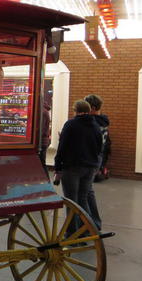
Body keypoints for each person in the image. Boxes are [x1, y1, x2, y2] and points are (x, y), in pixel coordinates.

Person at [54, 100, 103, 236]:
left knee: (71, 201)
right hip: (90, 167)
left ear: (75, 110)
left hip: (72, 167)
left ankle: (72, 233)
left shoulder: (71, 124)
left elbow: (62, 147)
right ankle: (85, 229)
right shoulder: (95, 126)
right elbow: (99, 147)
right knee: (83, 198)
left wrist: (58, 167)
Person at [84, 94, 110, 230]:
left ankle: (90, 224)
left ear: (92, 108)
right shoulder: (103, 121)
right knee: (88, 190)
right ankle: (94, 223)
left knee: (86, 191)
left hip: (89, 158)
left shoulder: (92, 122)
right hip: (97, 157)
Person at [39, 103, 51, 168]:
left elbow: (41, 129)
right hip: (43, 141)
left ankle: (46, 178)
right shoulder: (44, 111)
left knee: (41, 164)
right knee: (41, 163)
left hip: (41, 141)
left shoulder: (42, 112)